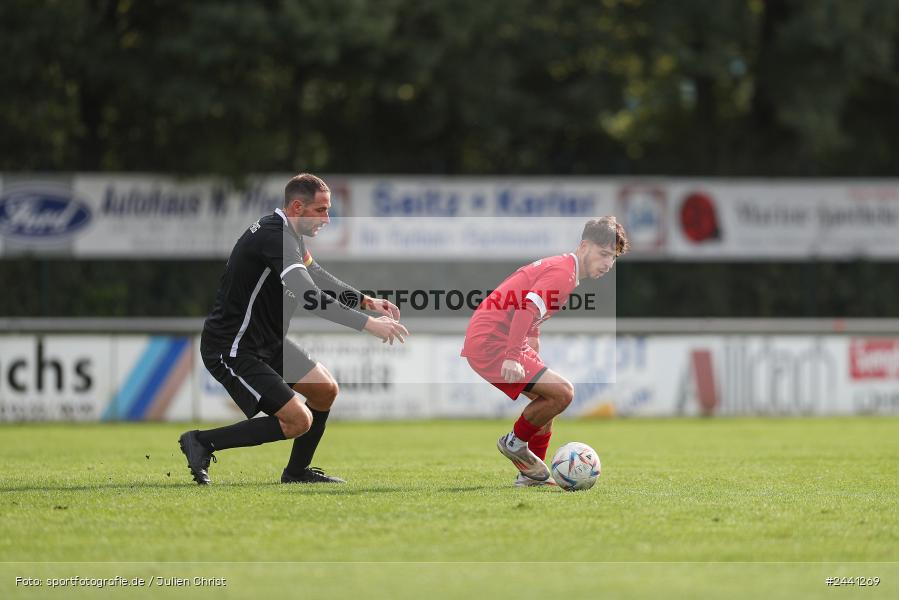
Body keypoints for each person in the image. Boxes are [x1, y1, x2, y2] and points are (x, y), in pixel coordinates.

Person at [180, 173, 408, 485]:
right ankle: (202, 442)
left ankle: (297, 472)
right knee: (297, 420)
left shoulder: (290, 234)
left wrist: (366, 301)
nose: (327, 219)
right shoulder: (276, 237)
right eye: (321, 210)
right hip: (233, 348)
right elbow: (310, 297)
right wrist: (368, 324)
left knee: (325, 390)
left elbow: (318, 277)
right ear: (297, 207)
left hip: (268, 343)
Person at [461, 216, 628, 487]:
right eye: (604, 254)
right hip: (492, 341)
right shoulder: (563, 273)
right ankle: (513, 443)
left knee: (548, 404)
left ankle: (530, 477)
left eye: (614, 258)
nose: (608, 264)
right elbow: (526, 308)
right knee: (564, 392)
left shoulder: (564, 269)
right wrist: (513, 355)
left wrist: (531, 340)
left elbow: (527, 303)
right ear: (584, 246)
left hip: (495, 338)